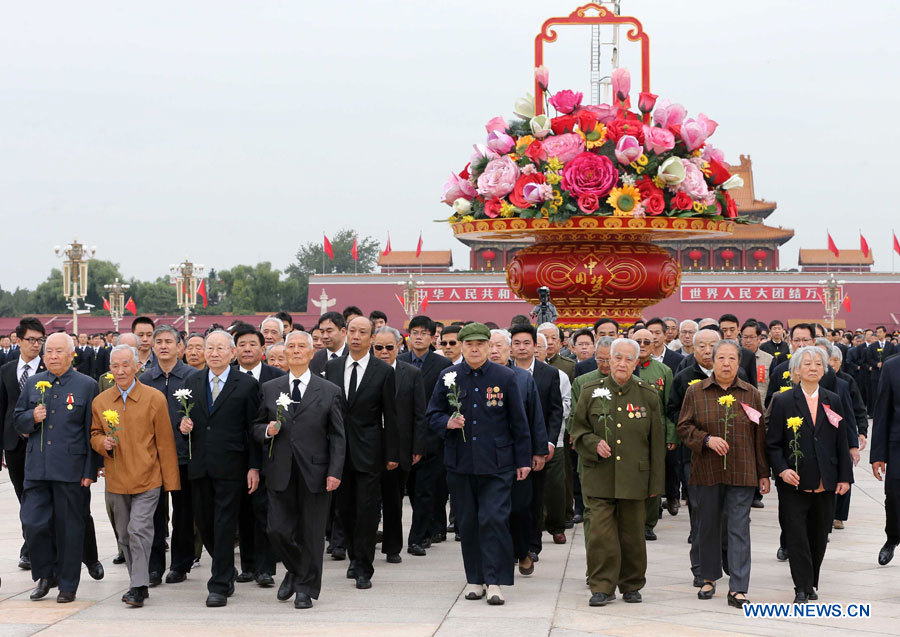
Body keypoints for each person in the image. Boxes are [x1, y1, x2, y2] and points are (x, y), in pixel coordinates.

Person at [427, 322, 531, 606]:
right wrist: (446, 422)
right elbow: (432, 413)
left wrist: (523, 459)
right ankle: (475, 578)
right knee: (469, 522)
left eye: (480, 344)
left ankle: (495, 580)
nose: (474, 348)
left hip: (498, 463)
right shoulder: (448, 376)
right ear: (461, 346)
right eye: (469, 344)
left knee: (494, 519)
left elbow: (518, 422)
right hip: (460, 462)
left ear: (489, 346)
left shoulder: (505, 376)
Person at [253, 330, 344, 609]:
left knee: (312, 533)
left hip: (315, 472)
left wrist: (335, 471)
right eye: (290, 346)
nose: (294, 351)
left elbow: (338, 436)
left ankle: (306, 589)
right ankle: (295, 570)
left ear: (311, 351)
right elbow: (255, 426)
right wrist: (265, 431)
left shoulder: (329, 390)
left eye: (300, 346)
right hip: (280, 470)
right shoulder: (271, 388)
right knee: (277, 530)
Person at [571, 337, 665, 607]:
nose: (622, 363)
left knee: (632, 534)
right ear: (608, 360)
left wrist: (656, 484)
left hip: (634, 477)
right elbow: (577, 430)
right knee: (601, 534)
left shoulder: (646, 394)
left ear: (637, 363)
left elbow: (656, 443)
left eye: (628, 359)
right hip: (599, 475)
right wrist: (592, 443)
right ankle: (601, 586)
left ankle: (632, 584)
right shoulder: (591, 391)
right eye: (617, 358)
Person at [677, 340, 769, 609]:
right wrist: (705, 440)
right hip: (706, 471)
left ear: (739, 363)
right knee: (707, 525)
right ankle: (708, 577)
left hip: (742, 471)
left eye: (732, 359)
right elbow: (683, 427)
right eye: (721, 359)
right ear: (712, 362)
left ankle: (739, 588)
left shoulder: (750, 393)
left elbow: (758, 436)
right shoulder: (696, 392)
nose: (726, 363)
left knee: (739, 528)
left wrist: (763, 473)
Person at [90, 344, 180, 607]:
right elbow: (94, 433)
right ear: (109, 370)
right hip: (117, 479)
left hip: (147, 478)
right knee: (125, 535)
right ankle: (137, 582)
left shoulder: (154, 398)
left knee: (139, 529)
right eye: (115, 366)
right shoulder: (101, 401)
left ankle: (138, 586)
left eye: (125, 365)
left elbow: (165, 442)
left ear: (137, 366)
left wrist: (171, 482)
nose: (120, 371)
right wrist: (101, 444)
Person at [14, 332, 100, 603]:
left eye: (58, 351)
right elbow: (17, 420)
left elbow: (91, 430)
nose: (52, 356)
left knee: (69, 529)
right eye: (48, 351)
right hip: (37, 468)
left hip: (71, 470)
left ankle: (68, 584)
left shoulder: (87, 385)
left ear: (71, 354)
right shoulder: (34, 383)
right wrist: (31, 417)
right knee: (32, 522)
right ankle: (45, 574)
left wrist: (90, 470)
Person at [178, 330, 262, 607]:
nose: (213, 353)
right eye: (209, 348)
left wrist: (253, 466)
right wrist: (183, 425)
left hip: (232, 465)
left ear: (231, 353)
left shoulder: (246, 385)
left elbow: (253, 429)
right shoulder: (192, 381)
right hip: (200, 464)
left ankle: (219, 584)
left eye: (219, 348)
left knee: (225, 523)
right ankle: (226, 567)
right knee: (205, 522)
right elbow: (182, 415)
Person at [767, 346, 852, 603]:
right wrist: (782, 470)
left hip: (826, 479)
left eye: (818, 363)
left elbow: (841, 440)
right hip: (795, 481)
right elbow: (772, 443)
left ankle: (811, 581)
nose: (813, 367)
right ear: (796, 371)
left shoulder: (832, 400)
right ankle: (801, 587)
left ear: (825, 369)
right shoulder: (782, 400)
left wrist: (845, 477)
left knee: (819, 536)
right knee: (796, 535)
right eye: (807, 363)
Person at [325, 316, 398, 589]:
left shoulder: (383, 371)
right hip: (338, 452)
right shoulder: (332, 368)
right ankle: (354, 557)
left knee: (367, 510)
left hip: (370, 450)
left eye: (362, 332)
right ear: (345, 333)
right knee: (345, 510)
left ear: (371, 339)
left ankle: (364, 566)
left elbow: (391, 415)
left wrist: (392, 453)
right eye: (352, 331)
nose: (356, 336)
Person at [487, 329, 548, 576]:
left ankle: (523, 550)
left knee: (520, 508)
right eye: (488, 346)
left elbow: (536, 418)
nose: (493, 351)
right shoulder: (476, 376)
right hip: (487, 456)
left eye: (499, 346)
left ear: (509, 350)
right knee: (492, 511)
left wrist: (539, 451)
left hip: (518, 456)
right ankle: (499, 557)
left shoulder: (523, 378)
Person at [141, 325, 199, 586]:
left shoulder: (193, 377)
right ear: (153, 347)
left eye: (169, 341)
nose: (163, 346)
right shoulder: (143, 380)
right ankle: (154, 567)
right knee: (153, 513)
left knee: (183, 513)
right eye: (159, 341)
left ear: (180, 348)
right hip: (152, 458)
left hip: (183, 456)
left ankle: (180, 564)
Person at [509, 323, 565, 562]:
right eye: (517, 343)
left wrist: (548, 444)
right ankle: (512, 544)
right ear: (511, 347)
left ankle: (532, 545)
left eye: (526, 343)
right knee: (512, 500)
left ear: (535, 346)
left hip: (537, 447)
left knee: (534, 498)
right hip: (509, 447)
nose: (521, 348)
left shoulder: (548, 373)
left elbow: (555, 412)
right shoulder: (504, 372)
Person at [398, 316, 453, 551]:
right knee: (404, 491)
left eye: (424, 332)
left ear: (433, 338)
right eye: (414, 332)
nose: (418, 336)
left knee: (425, 490)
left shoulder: (443, 367)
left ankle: (417, 538)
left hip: (432, 438)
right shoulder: (398, 362)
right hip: (401, 437)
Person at [373, 326, 426, 562]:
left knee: (394, 499)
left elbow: (419, 414)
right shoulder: (365, 372)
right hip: (369, 445)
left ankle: (392, 547)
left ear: (399, 347)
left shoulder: (411, 373)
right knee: (367, 500)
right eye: (378, 347)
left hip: (401, 447)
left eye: (389, 347)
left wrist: (417, 447)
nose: (384, 352)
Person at [0, 317, 47, 571]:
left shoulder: (47, 371)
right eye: (31, 340)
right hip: (13, 444)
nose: (36, 345)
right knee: (23, 497)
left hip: (39, 443)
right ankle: (30, 543)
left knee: (35, 497)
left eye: (40, 340)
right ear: (18, 340)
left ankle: (30, 548)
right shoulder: (6, 370)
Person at [631, 328, 676, 537]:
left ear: (654, 345)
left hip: (655, 434)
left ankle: (648, 524)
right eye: (638, 341)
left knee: (653, 477)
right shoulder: (625, 368)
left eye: (646, 342)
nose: (642, 345)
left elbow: (670, 406)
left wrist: (670, 436)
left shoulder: (663, 371)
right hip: (629, 432)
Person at [871, 352, 900, 565]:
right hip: (897, 446)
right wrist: (878, 455)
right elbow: (882, 412)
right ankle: (893, 537)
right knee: (894, 497)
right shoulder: (891, 367)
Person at [309, 312, 348, 376]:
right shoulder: (314, 359)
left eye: (329, 331)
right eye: (322, 332)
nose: (325, 336)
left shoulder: (354, 355)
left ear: (343, 332)